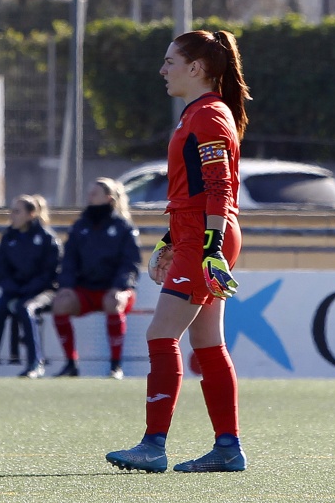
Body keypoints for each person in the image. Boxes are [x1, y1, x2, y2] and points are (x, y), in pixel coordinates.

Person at [105, 30, 251, 473]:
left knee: (159, 335)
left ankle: (153, 445)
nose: (162, 69)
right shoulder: (198, 113)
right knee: (208, 342)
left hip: (207, 238)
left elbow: (219, 189)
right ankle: (227, 448)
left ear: (197, 68)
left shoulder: (208, 115)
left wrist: (207, 249)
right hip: (197, 235)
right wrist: (171, 240)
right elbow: (194, 189)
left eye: (170, 61)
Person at [51, 178, 142, 380]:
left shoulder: (123, 227)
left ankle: (115, 366)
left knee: (114, 302)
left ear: (108, 198)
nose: (89, 197)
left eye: (94, 194)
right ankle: (71, 364)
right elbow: (69, 260)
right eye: (89, 194)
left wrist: (120, 286)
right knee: (60, 304)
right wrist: (66, 286)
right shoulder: (80, 226)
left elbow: (130, 264)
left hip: (113, 291)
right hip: (86, 290)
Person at [0, 195, 61, 379]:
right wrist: (12, 287)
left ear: (31, 214)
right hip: (14, 290)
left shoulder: (47, 239)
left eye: (17, 211)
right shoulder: (8, 237)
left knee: (27, 309)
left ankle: (35, 364)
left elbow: (49, 274)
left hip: (42, 291)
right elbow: (0, 268)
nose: (12, 216)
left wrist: (28, 290)